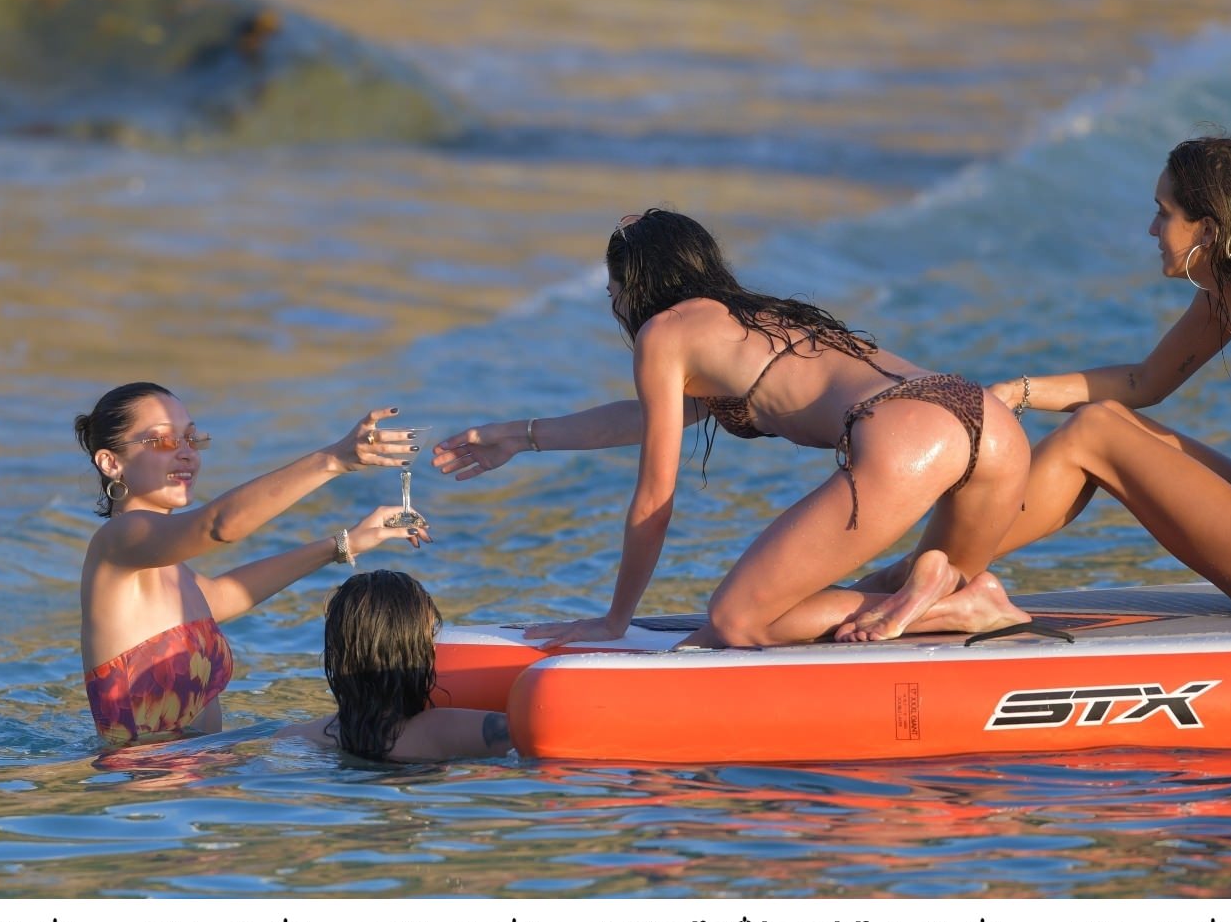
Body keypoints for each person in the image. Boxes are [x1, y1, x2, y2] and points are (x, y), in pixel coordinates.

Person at [860, 136, 1231, 625]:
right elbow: (1143, 381)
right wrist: (1018, 392)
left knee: (1096, 432)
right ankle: (924, 572)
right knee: (1109, 421)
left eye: (1164, 213)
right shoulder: (1230, 288)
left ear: (1209, 229)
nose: (1152, 228)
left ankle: (918, 575)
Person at [431, 208, 1033, 649]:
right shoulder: (751, 319)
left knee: (737, 620)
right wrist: (522, 435)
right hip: (984, 418)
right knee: (875, 586)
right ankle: (934, 592)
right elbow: (643, 417)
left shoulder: (663, 333)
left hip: (904, 434)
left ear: (633, 288)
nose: (614, 303)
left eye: (613, 290)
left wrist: (615, 620)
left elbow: (653, 499)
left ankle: (956, 605)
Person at [75, 382, 429, 746]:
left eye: (191, 439)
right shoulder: (117, 542)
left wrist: (344, 544)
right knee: (352, 734)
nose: (187, 454)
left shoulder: (169, 571)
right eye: (164, 440)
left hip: (201, 779)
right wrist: (333, 460)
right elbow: (220, 526)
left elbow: (225, 595)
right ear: (111, 462)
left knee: (353, 729)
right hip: (147, 792)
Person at [278, 569, 513, 761]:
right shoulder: (444, 730)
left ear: (338, 655)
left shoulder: (298, 735)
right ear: (415, 651)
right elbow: (542, 738)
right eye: (429, 635)